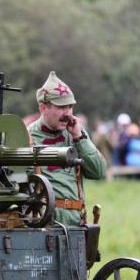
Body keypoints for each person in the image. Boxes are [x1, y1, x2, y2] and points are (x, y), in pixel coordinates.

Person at [27, 71, 106, 226]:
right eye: (62, 107)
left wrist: (79, 138)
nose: (68, 114)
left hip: (75, 224)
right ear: (43, 108)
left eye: (70, 107)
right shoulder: (26, 136)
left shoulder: (76, 134)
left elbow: (98, 172)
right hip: (43, 225)